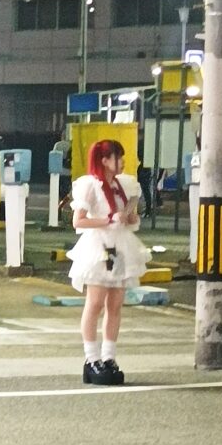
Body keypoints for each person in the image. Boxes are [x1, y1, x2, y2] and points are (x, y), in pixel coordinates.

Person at [66, 139, 150, 386]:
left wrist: (130, 218)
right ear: (104, 160)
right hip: (98, 248)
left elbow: (130, 217)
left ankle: (109, 358)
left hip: (119, 248)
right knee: (95, 303)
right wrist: (108, 220)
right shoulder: (90, 185)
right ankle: (91, 359)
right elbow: (78, 221)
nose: (122, 162)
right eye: (117, 157)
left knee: (115, 304)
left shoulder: (124, 185)